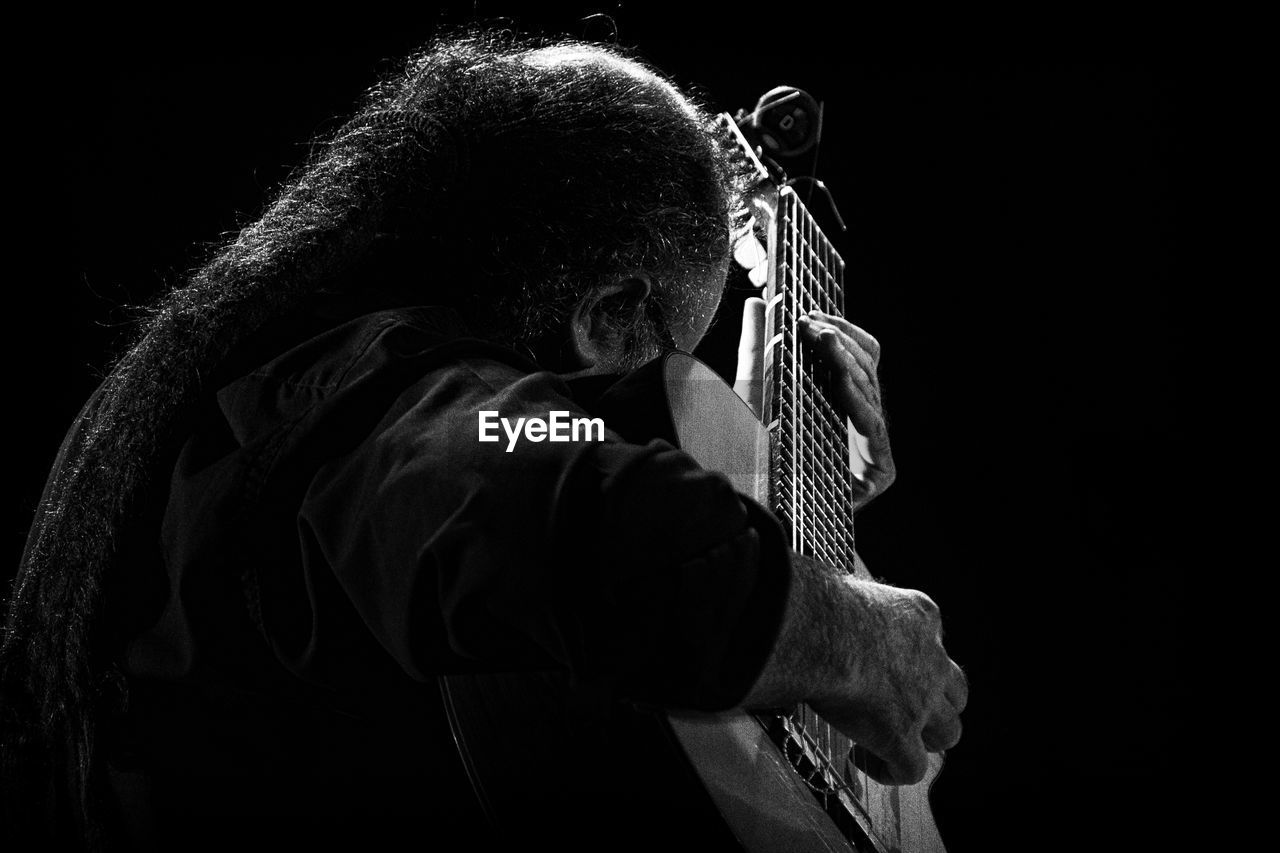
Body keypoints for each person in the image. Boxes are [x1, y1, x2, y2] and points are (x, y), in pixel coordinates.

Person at [1, 32, 966, 850]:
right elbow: (574, 499)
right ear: (608, 319)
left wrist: (782, 476)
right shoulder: (373, 389)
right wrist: (843, 633)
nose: (649, 401)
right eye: (669, 351)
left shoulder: (300, 379)